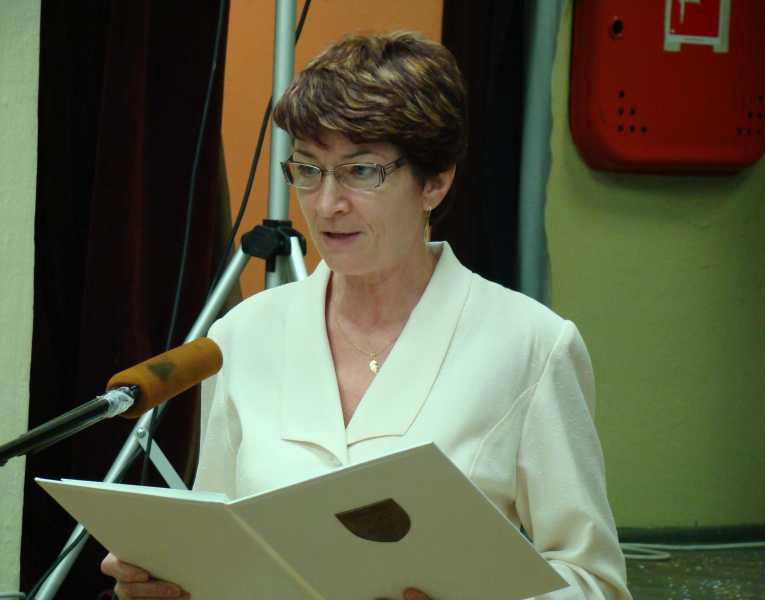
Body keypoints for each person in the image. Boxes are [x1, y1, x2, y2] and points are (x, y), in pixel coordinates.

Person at [102, 31, 631, 600]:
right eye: (308, 170)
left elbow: (594, 582)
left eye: (360, 172)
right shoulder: (243, 335)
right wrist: (173, 586)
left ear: (435, 180)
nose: (327, 204)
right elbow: (220, 552)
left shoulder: (530, 345)